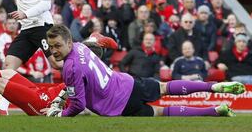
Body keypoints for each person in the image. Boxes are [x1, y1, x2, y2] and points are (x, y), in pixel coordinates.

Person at [43, 24, 244, 117]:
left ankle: (215, 111)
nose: (54, 51)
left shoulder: (69, 67)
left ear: (69, 41)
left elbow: (78, 104)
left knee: (162, 112)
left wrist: (59, 114)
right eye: (51, 47)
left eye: (57, 46)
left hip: (118, 105)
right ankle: (214, 87)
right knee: (165, 88)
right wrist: (61, 98)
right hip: (128, 83)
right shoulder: (80, 47)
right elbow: (76, 81)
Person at [0, 32, 118, 116]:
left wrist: (58, 112)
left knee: (1, 83)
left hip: (42, 105)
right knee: (6, 73)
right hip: (42, 93)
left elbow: (78, 102)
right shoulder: (90, 70)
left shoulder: (83, 72)